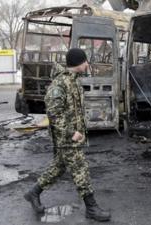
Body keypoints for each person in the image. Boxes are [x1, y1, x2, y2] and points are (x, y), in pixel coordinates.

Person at [24, 48, 111, 222]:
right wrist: (72, 133)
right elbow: (54, 114)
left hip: (73, 136)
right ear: (79, 62)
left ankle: (33, 193)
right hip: (66, 138)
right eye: (86, 61)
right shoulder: (60, 84)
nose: (88, 64)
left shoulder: (75, 81)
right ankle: (91, 208)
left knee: (58, 168)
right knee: (81, 170)